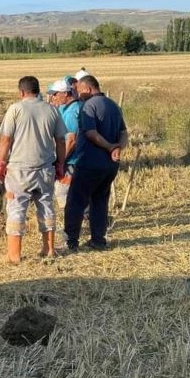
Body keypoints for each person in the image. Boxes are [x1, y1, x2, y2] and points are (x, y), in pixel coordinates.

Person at [0, 76, 66, 261]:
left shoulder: (15, 109)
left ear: (21, 92)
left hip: (19, 171)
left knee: (17, 208)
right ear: (38, 91)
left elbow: (5, 139)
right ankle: (49, 250)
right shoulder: (52, 110)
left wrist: (1, 163)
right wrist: (60, 164)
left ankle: (14, 255)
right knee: (46, 207)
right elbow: (60, 140)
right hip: (45, 169)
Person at [63, 75, 128, 252]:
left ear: (88, 89)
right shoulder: (113, 105)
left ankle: (71, 241)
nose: (77, 94)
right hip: (110, 166)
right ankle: (98, 240)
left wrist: (109, 147)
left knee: (75, 201)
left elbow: (91, 133)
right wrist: (117, 149)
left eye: (79, 91)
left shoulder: (88, 106)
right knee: (100, 201)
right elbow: (124, 132)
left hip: (90, 163)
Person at [47, 80, 81, 210]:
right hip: (78, 159)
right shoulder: (73, 107)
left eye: (55, 94)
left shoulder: (72, 112)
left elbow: (71, 140)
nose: (53, 97)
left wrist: (60, 161)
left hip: (72, 160)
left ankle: (75, 223)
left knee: (63, 191)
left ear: (66, 93)